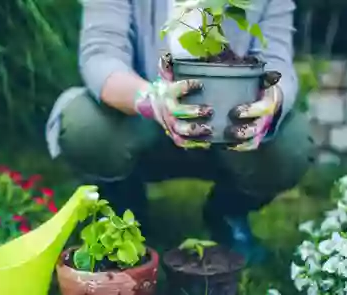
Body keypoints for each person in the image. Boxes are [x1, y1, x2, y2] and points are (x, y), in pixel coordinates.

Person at [45, 0, 314, 263]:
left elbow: (276, 63)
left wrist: (270, 102)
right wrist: (153, 100)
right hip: (139, 120)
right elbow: (101, 55)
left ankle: (228, 211)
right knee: (86, 126)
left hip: (228, 125)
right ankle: (122, 203)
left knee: (291, 144)